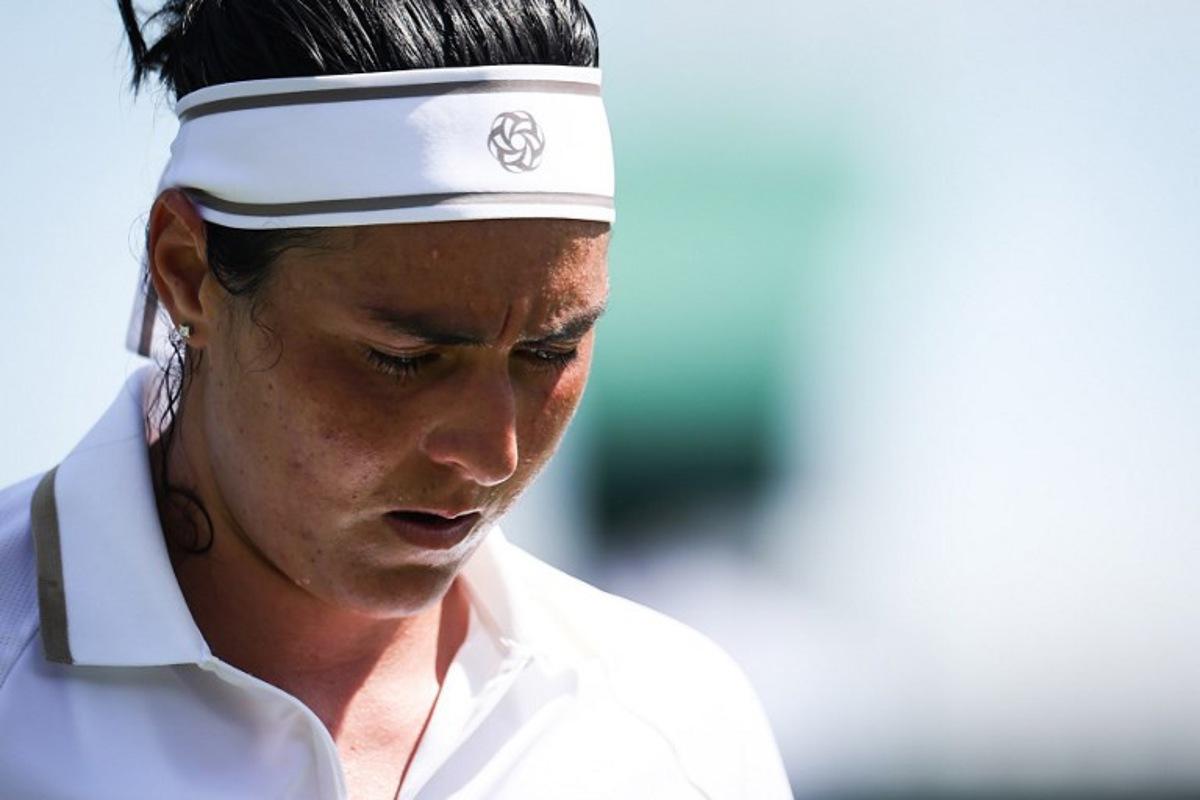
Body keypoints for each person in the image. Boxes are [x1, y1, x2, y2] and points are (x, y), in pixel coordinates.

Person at [0, 1, 792, 797]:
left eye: (548, 353)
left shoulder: (680, 725)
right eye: (404, 359)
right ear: (187, 274)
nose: (493, 454)